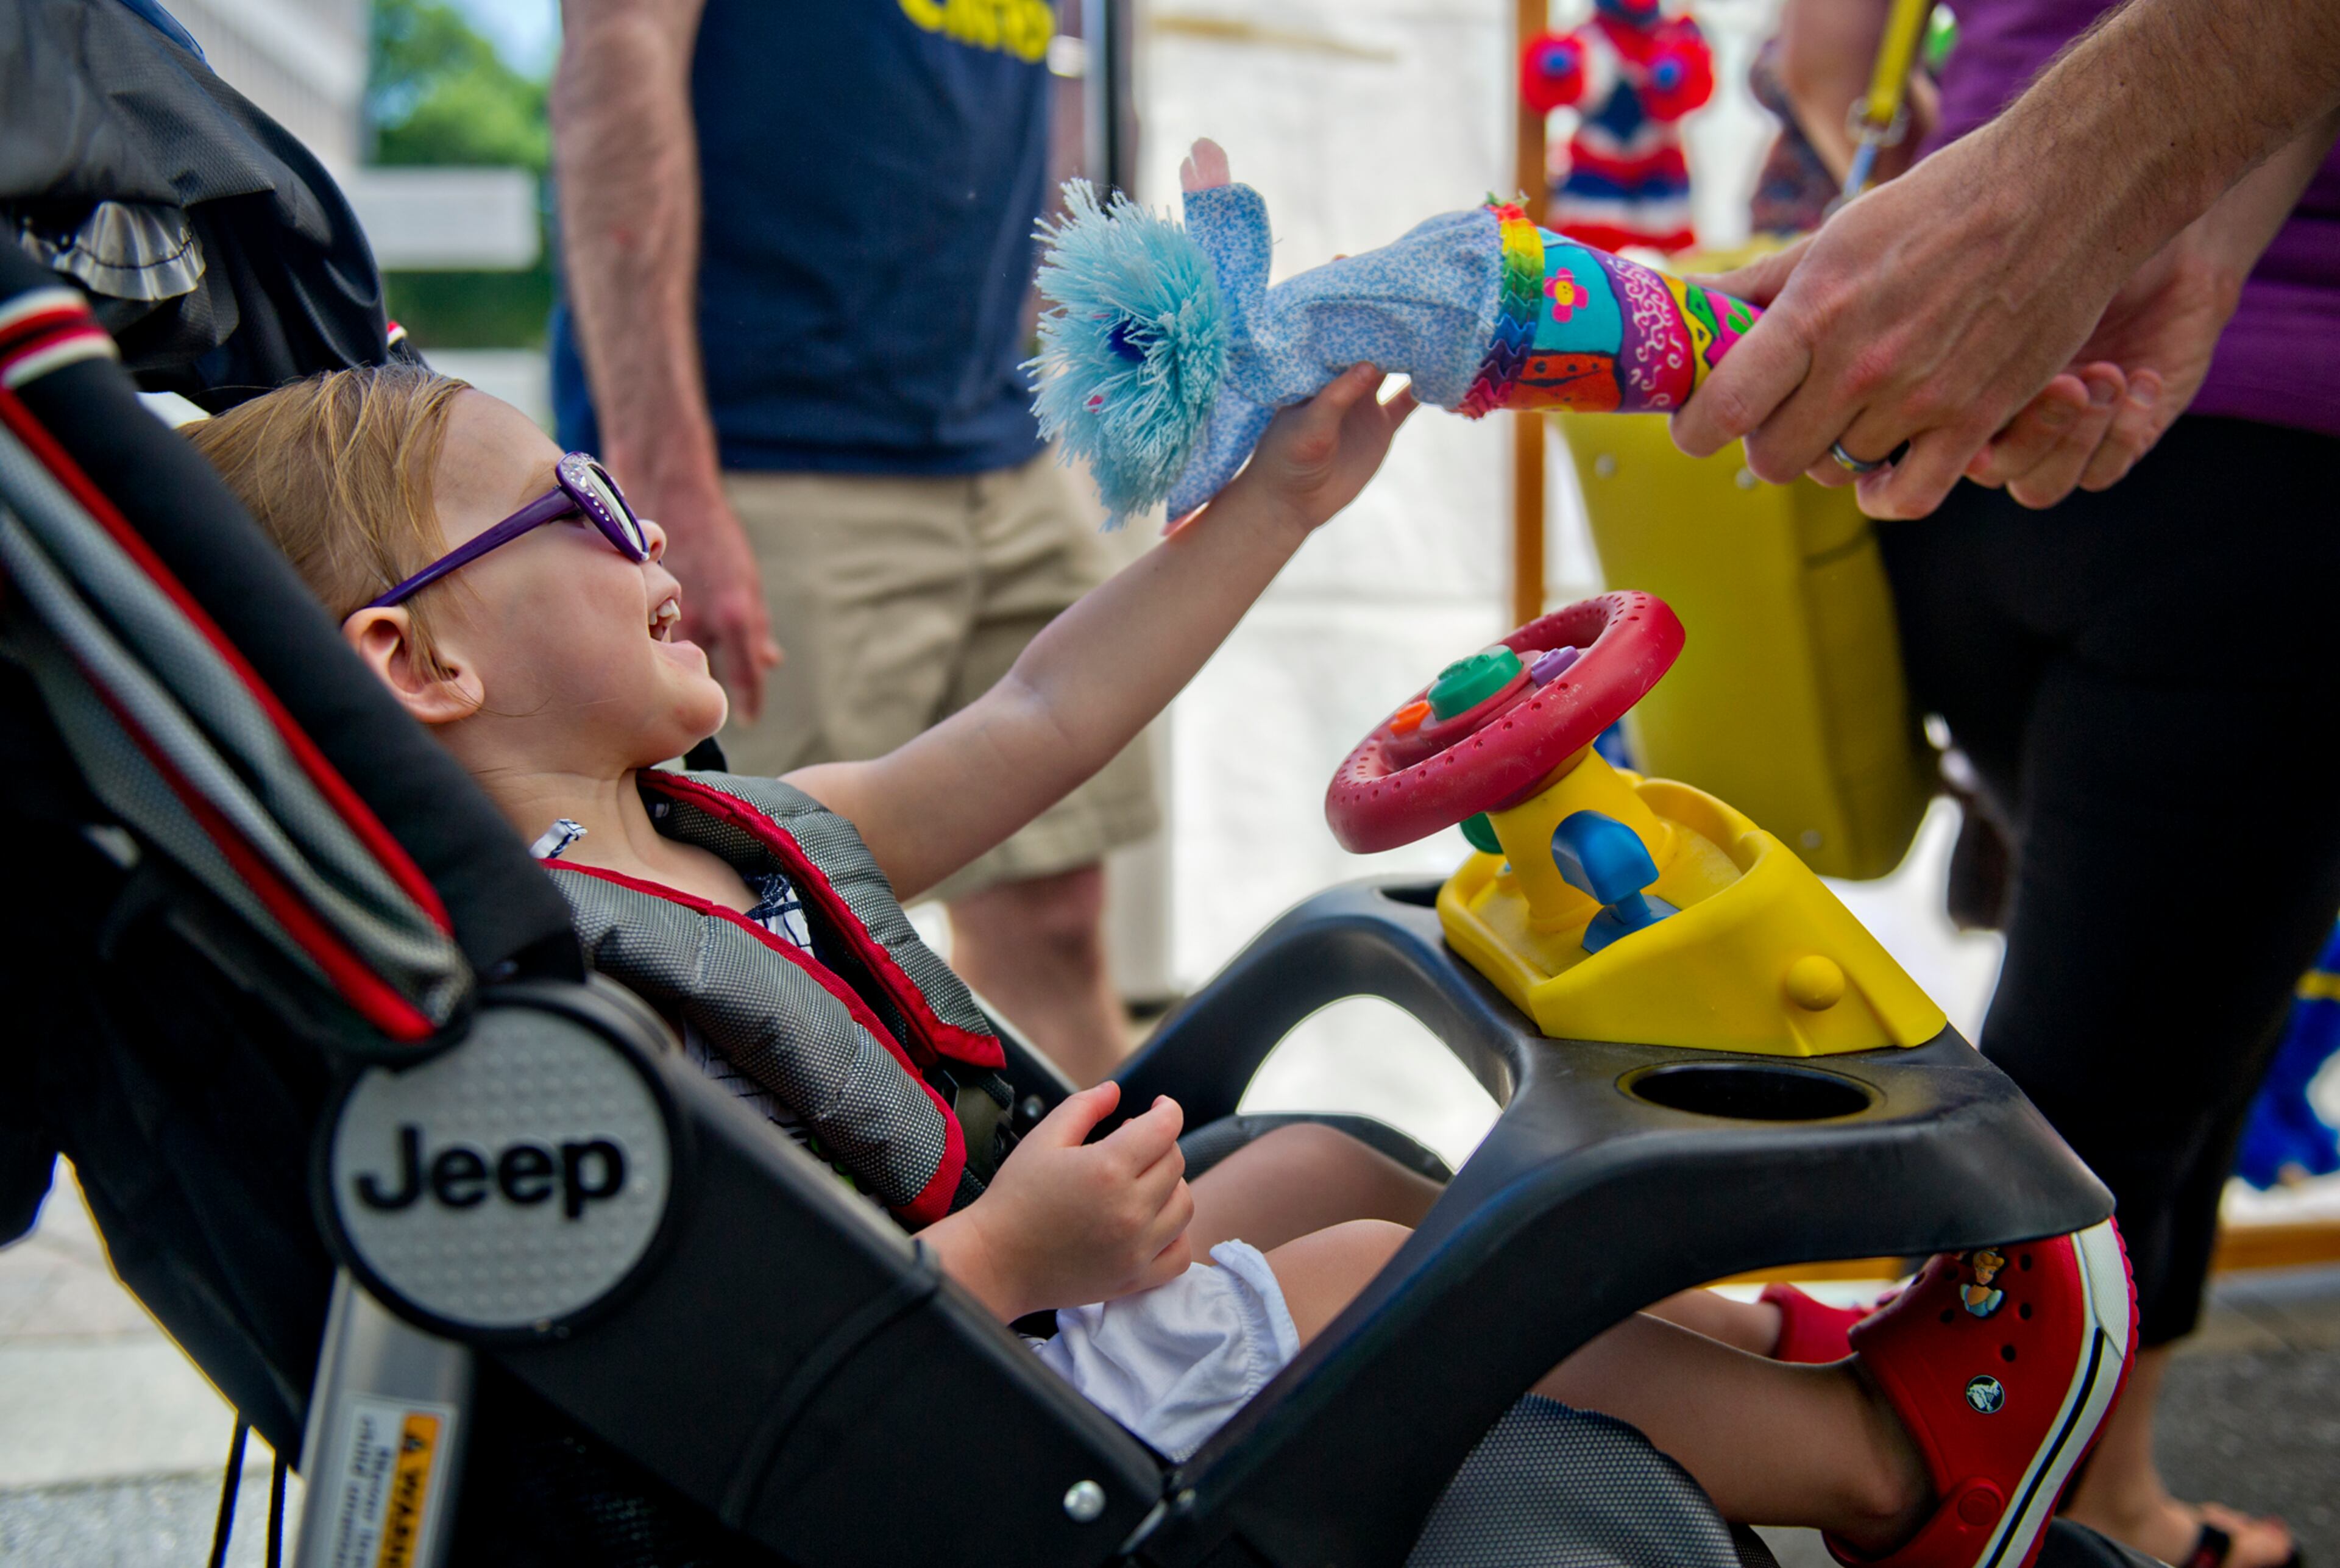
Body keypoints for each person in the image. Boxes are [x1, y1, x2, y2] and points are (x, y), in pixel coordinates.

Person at [185, 360, 2134, 1568]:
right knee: (1376, 1263)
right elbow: (707, 1358)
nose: (647, 534)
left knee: (1331, 1166)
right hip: (917, 1416)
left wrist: (1270, 509)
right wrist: (1018, 1259)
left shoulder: (711, 832)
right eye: (579, 511)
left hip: (994, 1316)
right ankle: (1892, 1469)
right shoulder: (554, 1013)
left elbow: (1038, 713)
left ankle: (1780, 1355)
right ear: (418, 661)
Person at [1673, 4, 2340, 1564]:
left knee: (2144, 1048)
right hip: (2253, 461)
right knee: (2100, 1099)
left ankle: (2090, 1491)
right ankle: (1991, 1501)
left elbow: (1825, 57)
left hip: (1988, 416)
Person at [548, 0, 1154, 1085]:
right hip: (767, 456)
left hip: (995, 445)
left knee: (1056, 914)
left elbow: (1067, 76)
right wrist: (669, 476)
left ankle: (1112, 1251)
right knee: (761, 959)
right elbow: (617, 51)